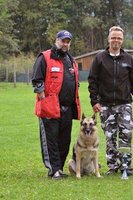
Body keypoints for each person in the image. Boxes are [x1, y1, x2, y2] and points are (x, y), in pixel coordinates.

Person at [88, 26, 133, 175]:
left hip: (125, 104)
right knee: (110, 137)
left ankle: (125, 165)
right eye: (113, 38)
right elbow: (92, 81)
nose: (116, 40)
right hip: (105, 105)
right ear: (108, 39)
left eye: (119, 38)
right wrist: (94, 101)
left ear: (122, 40)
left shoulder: (128, 59)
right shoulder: (99, 58)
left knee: (126, 135)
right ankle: (112, 167)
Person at [32, 30, 81, 180]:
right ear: (56, 41)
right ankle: (53, 170)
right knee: (51, 140)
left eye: (67, 41)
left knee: (64, 140)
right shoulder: (45, 57)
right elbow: (37, 80)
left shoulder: (71, 60)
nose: (65, 44)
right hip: (50, 106)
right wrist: (43, 98)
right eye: (62, 41)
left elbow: (74, 81)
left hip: (67, 107)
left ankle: (59, 168)